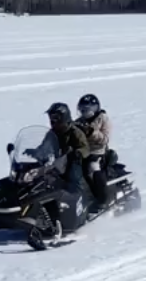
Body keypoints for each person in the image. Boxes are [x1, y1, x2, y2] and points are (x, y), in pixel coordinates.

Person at [41, 101, 91, 236]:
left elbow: (85, 147)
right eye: (51, 119)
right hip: (58, 162)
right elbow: (44, 146)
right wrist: (35, 152)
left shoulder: (75, 131)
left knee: (73, 178)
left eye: (55, 119)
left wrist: (78, 152)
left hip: (72, 162)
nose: (52, 122)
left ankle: (79, 207)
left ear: (64, 118)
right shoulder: (52, 133)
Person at [75, 93, 113, 213]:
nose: (85, 112)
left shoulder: (103, 119)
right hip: (81, 151)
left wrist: (92, 132)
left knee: (92, 168)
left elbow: (105, 139)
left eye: (88, 109)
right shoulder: (79, 121)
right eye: (83, 109)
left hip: (98, 152)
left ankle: (102, 199)